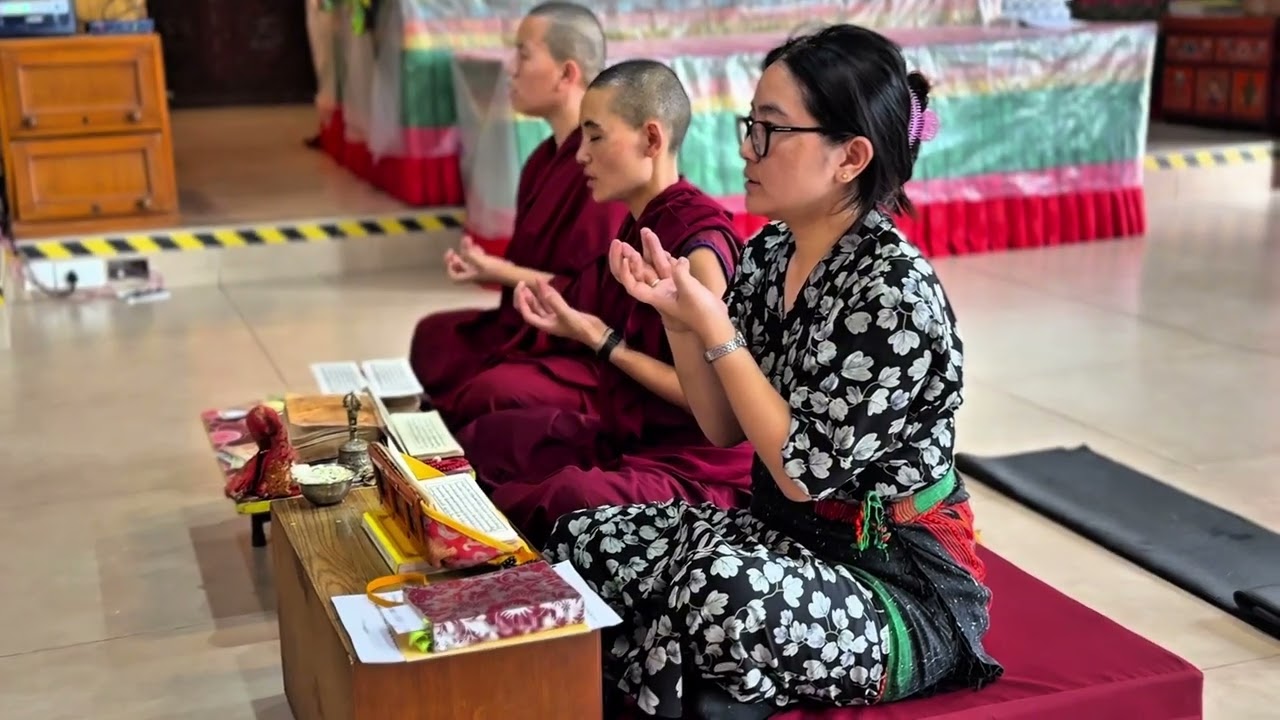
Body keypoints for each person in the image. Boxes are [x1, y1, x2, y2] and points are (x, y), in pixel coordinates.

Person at [546, 25, 1002, 720]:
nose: (745, 148)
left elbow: (799, 469)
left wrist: (718, 330)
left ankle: (683, 676)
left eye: (770, 130)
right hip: (785, 538)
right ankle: (692, 679)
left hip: (896, 586)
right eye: (749, 124)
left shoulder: (892, 292)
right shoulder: (769, 254)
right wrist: (679, 317)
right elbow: (722, 425)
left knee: (716, 590)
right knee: (585, 538)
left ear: (850, 157)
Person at [454, 60, 755, 546]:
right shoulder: (643, 224)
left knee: (559, 498)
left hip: (702, 468)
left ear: (651, 140)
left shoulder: (698, 248)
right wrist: (577, 325)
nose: (581, 156)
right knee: (491, 439)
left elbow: (718, 408)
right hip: (632, 431)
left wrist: (602, 339)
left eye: (595, 137)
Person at [408, 2, 628, 416]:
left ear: (567, 73)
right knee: (433, 338)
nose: (512, 69)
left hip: (576, 340)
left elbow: (590, 300)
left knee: (491, 391)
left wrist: (496, 271)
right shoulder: (544, 158)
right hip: (526, 325)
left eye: (524, 54)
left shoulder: (603, 168)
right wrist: (492, 270)